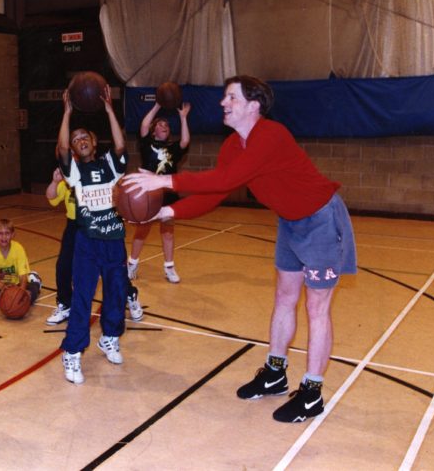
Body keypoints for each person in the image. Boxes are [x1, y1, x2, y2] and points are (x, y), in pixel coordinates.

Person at [123, 75, 356, 423]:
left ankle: (312, 392)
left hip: (322, 220)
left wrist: (165, 180)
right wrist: (166, 210)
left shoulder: (271, 135)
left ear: (254, 105)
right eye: (224, 97)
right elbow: (215, 194)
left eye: (231, 97)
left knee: (317, 308)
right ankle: (275, 373)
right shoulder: (233, 146)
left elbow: (225, 181)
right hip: (290, 223)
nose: (223, 103)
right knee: (284, 298)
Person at [56, 85, 141, 385]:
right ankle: (72, 352)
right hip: (87, 242)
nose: (79, 141)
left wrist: (108, 110)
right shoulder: (74, 172)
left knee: (117, 294)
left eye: (84, 137)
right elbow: (62, 149)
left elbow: (120, 147)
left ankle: (109, 338)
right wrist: (67, 113)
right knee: (82, 297)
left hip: (114, 239)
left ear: (93, 142)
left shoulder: (109, 164)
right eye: (76, 138)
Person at [127, 100, 191, 283]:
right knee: (142, 230)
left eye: (167, 125)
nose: (165, 127)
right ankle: (132, 264)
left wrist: (183, 118)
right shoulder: (147, 143)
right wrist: (157, 104)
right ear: (154, 130)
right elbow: (144, 125)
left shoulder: (173, 148)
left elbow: (185, 141)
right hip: (149, 193)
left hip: (168, 192)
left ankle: (169, 267)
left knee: (168, 232)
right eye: (161, 125)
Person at [44, 167, 75, 324]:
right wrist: (55, 181)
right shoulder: (67, 179)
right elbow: (52, 198)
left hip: (94, 224)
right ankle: (65, 304)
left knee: (108, 267)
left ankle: (129, 294)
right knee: (63, 266)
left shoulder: (94, 172)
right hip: (73, 225)